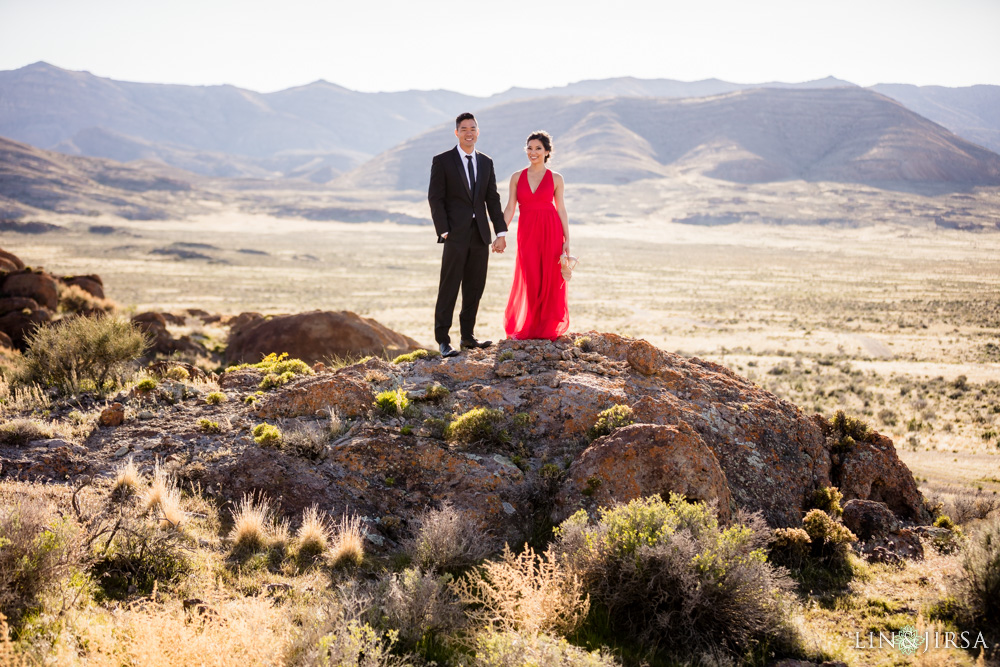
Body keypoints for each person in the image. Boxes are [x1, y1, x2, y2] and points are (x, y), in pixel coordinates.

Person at [428, 112, 508, 358]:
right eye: (464, 129)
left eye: (473, 128)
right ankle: (443, 341)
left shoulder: (486, 162)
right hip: (455, 235)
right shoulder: (443, 160)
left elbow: (492, 199)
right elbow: (435, 197)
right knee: (449, 287)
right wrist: (444, 230)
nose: (469, 132)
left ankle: (468, 337)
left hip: (480, 235)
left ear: (478, 131)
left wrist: (500, 231)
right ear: (456, 132)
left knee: (474, 287)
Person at [502, 131, 570, 341]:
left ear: (547, 151)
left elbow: (561, 209)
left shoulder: (556, 178)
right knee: (531, 277)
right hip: (527, 232)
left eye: (538, 148)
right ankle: (531, 325)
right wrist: (501, 233)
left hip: (551, 230)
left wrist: (567, 240)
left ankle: (547, 327)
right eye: (530, 148)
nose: (533, 152)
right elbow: (510, 207)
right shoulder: (516, 177)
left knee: (550, 278)